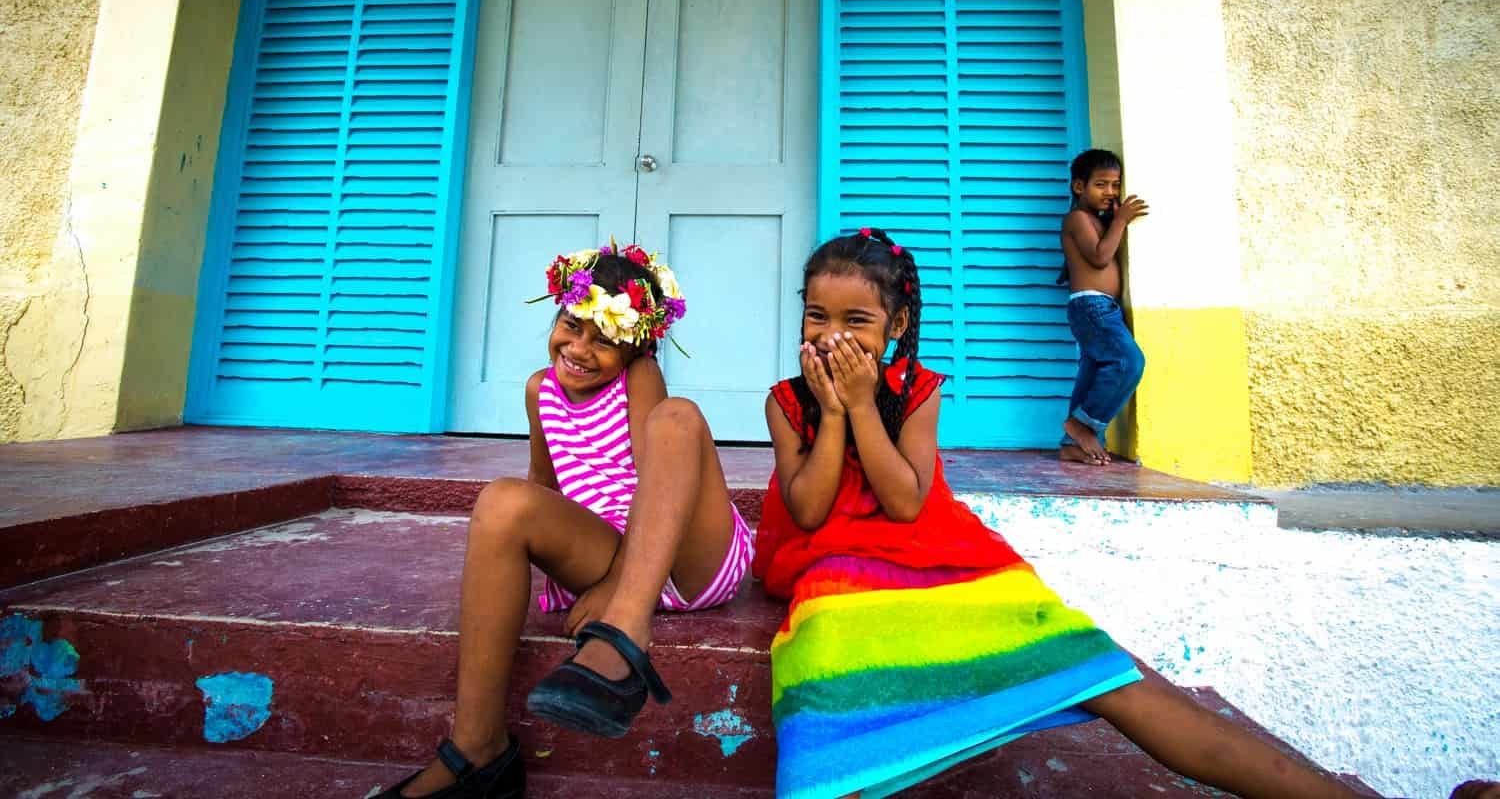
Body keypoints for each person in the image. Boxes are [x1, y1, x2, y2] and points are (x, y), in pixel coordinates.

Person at [753, 227, 1369, 799]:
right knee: (828, 701)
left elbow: (906, 503)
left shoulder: (916, 393)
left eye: (856, 320)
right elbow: (808, 511)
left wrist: (863, 406)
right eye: (817, 315)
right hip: (837, 569)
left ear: (897, 324)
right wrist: (833, 413)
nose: (832, 335)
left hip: (946, 560)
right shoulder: (787, 403)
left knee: (1110, 677)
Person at [377, 243, 752, 799]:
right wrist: (537, 560)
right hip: (608, 552)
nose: (579, 349)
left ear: (636, 347)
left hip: (687, 558)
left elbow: (655, 484)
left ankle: (626, 631)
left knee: (677, 418)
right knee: (503, 502)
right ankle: (477, 748)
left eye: (604, 340)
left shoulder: (641, 376)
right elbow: (543, 487)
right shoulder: (540, 390)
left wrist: (616, 586)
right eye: (572, 327)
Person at [1058, 148, 1149, 466]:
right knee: (1129, 361)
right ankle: (1085, 424)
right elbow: (1099, 256)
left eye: (1115, 184)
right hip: (1092, 307)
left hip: (1102, 308)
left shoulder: (1098, 220)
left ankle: (1072, 445)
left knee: (1093, 370)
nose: (1110, 192)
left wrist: (1114, 220)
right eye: (1101, 184)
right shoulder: (1077, 218)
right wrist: (1121, 220)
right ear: (1078, 186)